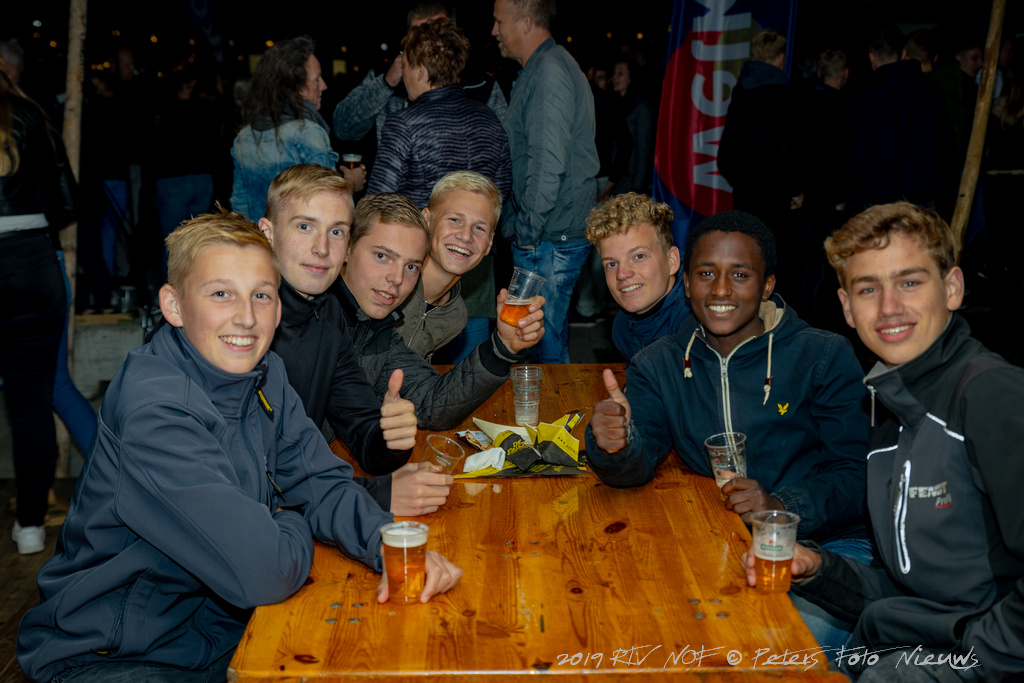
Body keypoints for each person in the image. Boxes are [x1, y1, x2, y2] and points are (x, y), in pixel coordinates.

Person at [17, 211, 462, 682]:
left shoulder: (265, 373)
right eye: (221, 294)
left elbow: (321, 481)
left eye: (262, 295)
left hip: (213, 633)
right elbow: (264, 570)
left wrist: (389, 545)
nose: (247, 318)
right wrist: (290, 514)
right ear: (173, 305)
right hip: (113, 655)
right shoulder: (154, 410)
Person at [752, 202, 1024, 681]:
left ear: (953, 288)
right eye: (868, 289)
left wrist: (961, 663)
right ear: (847, 308)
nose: (889, 307)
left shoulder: (990, 395)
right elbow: (904, 591)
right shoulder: (888, 411)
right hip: (888, 647)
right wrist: (818, 568)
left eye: (910, 282)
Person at [586, 210, 871, 646]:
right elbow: (637, 465)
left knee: (783, 649)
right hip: (721, 543)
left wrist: (779, 504)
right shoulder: (659, 364)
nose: (720, 290)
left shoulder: (823, 356)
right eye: (706, 273)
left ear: (767, 286)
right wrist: (615, 445)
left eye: (740, 274)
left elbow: (857, 476)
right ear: (686, 283)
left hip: (825, 545)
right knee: (641, 628)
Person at [259, 164, 448, 516]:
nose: (322, 248)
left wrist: (392, 437)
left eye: (336, 231)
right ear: (268, 234)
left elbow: (363, 433)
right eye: (305, 226)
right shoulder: (238, 321)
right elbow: (244, 480)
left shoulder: (327, 313)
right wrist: (374, 494)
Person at [337, 192, 545, 429]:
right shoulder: (312, 316)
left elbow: (430, 403)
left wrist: (503, 347)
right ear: (347, 247)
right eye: (382, 256)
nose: (396, 278)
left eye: (411, 266)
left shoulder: (379, 329)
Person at [492, 0, 599, 363]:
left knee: (539, 349)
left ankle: (551, 403)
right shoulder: (544, 67)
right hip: (550, 234)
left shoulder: (548, 70)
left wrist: (528, 231)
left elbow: (546, 162)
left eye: (499, 21)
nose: (494, 30)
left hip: (547, 236)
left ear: (525, 22)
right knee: (545, 343)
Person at [1, 61, 73, 555]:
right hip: (30, 260)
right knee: (31, 401)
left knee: (30, 400)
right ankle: (30, 526)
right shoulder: (29, 114)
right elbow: (67, 201)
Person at [366, 19, 511, 209]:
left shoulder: (403, 124)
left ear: (420, 71)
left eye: (405, 65)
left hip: (421, 228)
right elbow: (502, 189)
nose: (403, 74)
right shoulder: (489, 118)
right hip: (476, 227)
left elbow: (377, 204)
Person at [332, 1, 507, 146]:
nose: (423, 43)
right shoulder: (387, 74)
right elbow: (342, 129)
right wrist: (386, 84)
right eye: (416, 33)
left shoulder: (479, 83)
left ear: (452, 36)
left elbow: (506, 146)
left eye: (434, 32)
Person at [230, 35, 364, 221]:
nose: (324, 86)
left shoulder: (245, 136)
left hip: (257, 236)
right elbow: (327, 200)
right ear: (295, 88)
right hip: (298, 238)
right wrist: (352, 183)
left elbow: (240, 207)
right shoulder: (308, 133)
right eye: (317, 79)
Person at [717, 28, 803, 302]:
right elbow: (788, 149)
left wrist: (740, 178)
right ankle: (772, 317)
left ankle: (744, 311)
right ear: (781, 58)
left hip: (746, 191)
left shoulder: (741, 91)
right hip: (775, 193)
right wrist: (794, 189)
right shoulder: (785, 94)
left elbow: (726, 150)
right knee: (776, 260)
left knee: (747, 256)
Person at [396, 171, 502, 360]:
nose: (466, 236)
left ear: (489, 243)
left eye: (479, 228)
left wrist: (505, 346)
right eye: (455, 220)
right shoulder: (390, 281)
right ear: (426, 219)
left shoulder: (454, 316)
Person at [849, 27, 951, 211]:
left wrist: (861, 193)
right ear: (904, 53)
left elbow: (858, 153)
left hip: (879, 197)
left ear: (871, 57)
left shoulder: (864, 95)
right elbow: (945, 142)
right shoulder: (930, 89)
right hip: (923, 194)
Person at [584, 192, 689, 362]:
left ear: (672, 261)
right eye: (612, 264)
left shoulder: (698, 325)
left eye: (639, 256)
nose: (622, 274)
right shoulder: (622, 327)